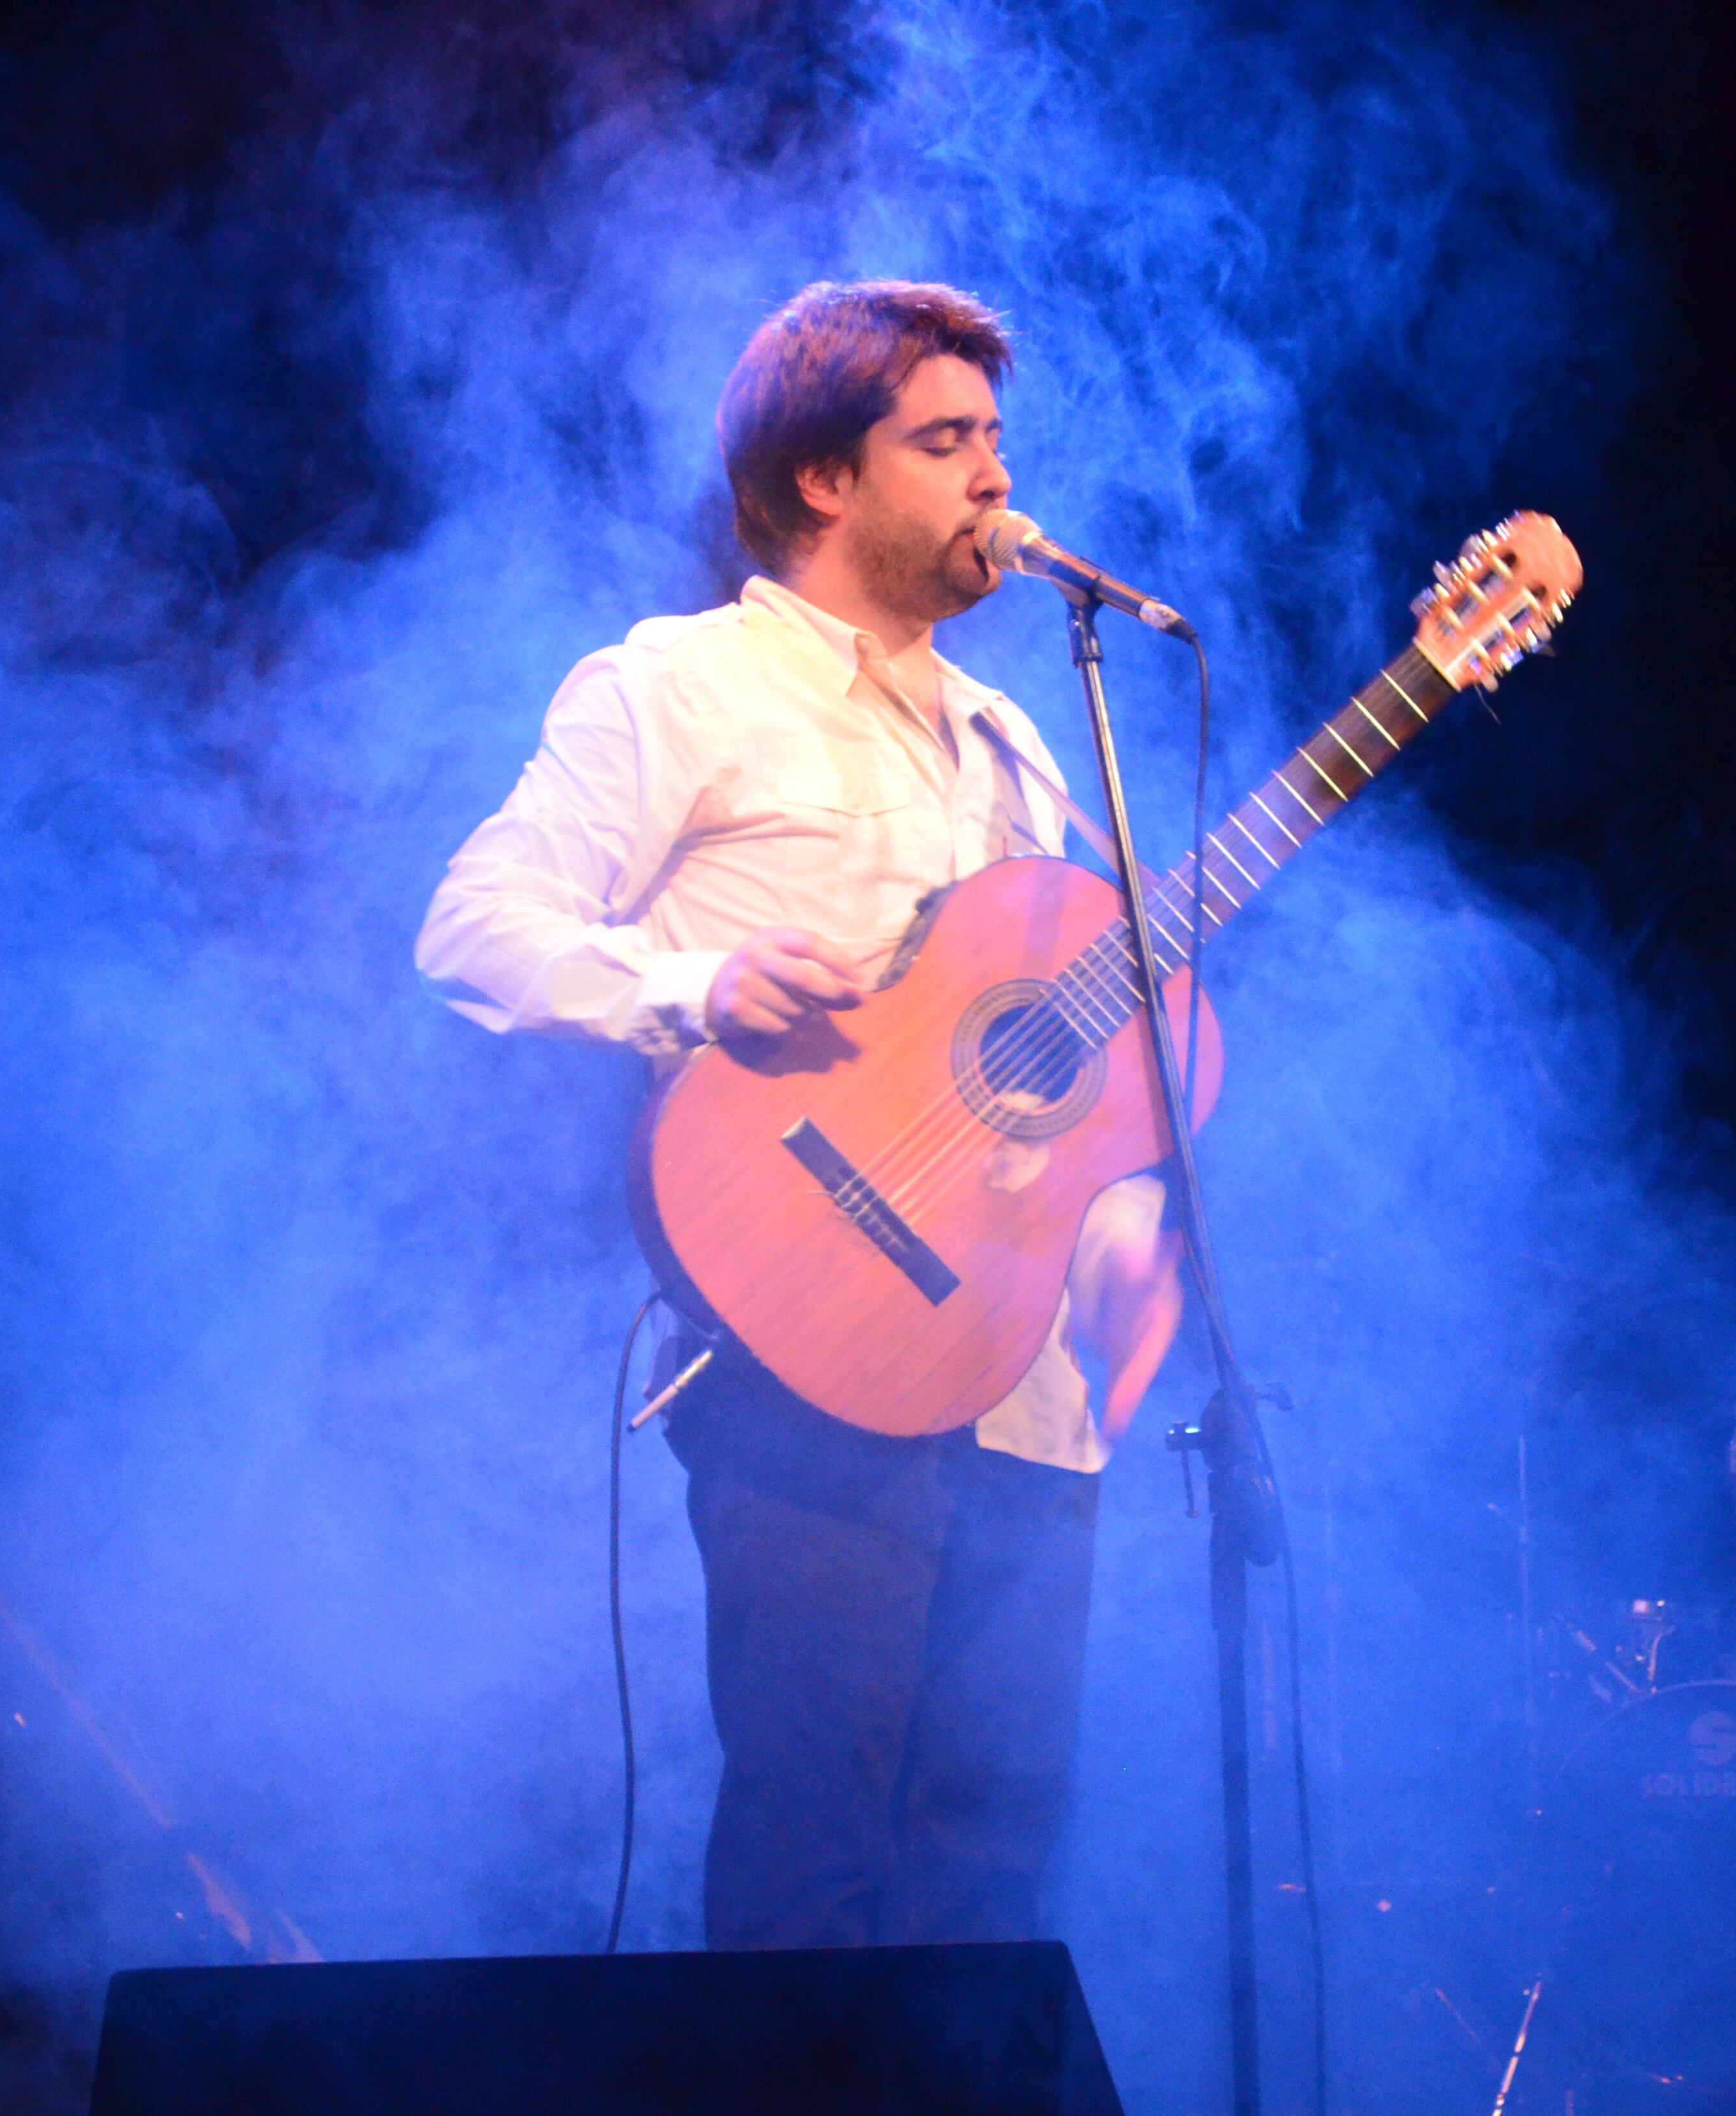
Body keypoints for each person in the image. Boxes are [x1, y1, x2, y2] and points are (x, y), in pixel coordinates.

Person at [417, 280, 1185, 1950]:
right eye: (946, 440)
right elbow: (473, 929)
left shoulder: (1020, 745)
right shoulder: (682, 687)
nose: (996, 478)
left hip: (1031, 1388)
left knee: (991, 1886)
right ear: (824, 479)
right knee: (818, 1870)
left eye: (997, 439)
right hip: (813, 1357)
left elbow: (1047, 1068)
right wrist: (692, 994)